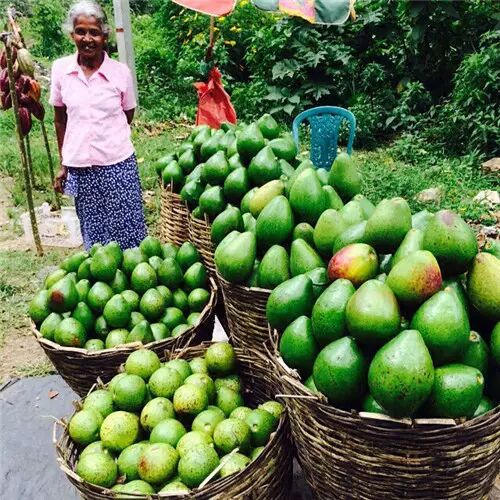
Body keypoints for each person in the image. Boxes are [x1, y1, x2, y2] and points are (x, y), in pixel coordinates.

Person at [50, 0, 146, 250]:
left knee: (129, 233)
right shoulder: (61, 70)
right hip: (81, 167)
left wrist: (107, 138)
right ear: (72, 35)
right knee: (95, 240)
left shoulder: (120, 73)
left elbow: (127, 113)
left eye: (94, 32)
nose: (87, 39)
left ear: (104, 36)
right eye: (80, 31)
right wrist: (64, 163)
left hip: (118, 165)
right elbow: (60, 119)